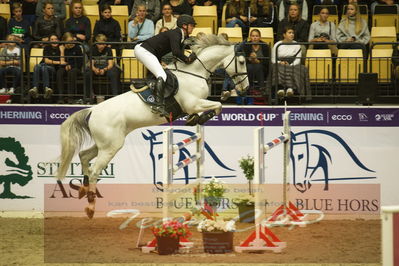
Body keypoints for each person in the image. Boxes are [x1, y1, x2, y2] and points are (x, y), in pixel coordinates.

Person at [134, 14, 197, 116]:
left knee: (163, 73)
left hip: (149, 52)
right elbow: (176, 52)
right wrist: (187, 59)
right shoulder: (176, 33)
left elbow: (177, 55)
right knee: (162, 75)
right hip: (144, 50)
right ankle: (158, 105)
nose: (193, 27)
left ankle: (152, 95)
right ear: (184, 26)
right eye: (191, 25)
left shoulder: (180, 35)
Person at [271, 26, 310, 99]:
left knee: (301, 68)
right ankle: (280, 89)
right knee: (277, 67)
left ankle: (290, 89)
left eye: (293, 33)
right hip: (280, 64)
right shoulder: (277, 45)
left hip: (293, 64)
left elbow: (298, 60)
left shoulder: (297, 45)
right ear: (284, 35)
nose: (292, 34)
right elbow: (273, 59)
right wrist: (280, 62)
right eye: (289, 33)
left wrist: (290, 65)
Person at [29, 34, 66, 99]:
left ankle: (46, 88)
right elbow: (46, 61)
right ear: (49, 41)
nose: (54, 41)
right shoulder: (47, 48)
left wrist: (62, 51)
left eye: (56, 39)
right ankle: (35, 88)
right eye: (52, 39)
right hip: (43, 66)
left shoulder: (61, 48)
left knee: (44, 67)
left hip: (53, 69)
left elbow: (63, 62)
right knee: (37, 66)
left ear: (58, 40)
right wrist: (59, 62)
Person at [56, 32, 85, 103]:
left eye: (72, 41)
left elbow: (80, 62)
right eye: (69, 42)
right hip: (64, 67)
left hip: (75, 68)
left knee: (72, 72)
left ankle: (70, 97)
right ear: (64, 41)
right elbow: (60, 61)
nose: (71, 43)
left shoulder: (77, 47)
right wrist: (62, 52)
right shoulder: (61, 48)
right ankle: (60, 97)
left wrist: (71, 66)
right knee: (59, 72)